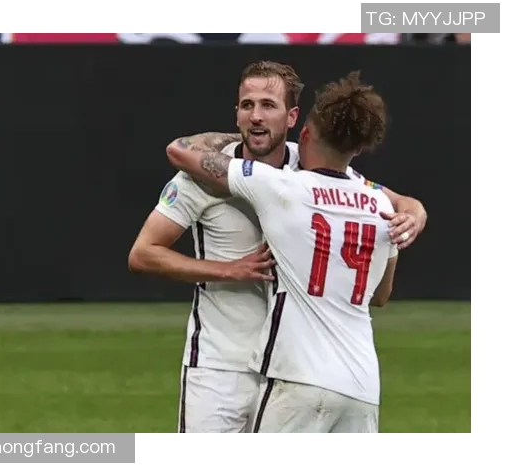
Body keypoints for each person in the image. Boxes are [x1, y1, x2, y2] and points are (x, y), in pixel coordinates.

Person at [129, 61, 425, 433]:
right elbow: (143, 253)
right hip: (220, 365)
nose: (256, 115)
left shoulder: (309, 167)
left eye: (268, 106)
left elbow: (391, 199)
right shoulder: (200, 175)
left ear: (292, 118)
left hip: (287, 367)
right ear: (236, 113)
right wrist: (228, 270)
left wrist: (416, 210)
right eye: (247, 105)